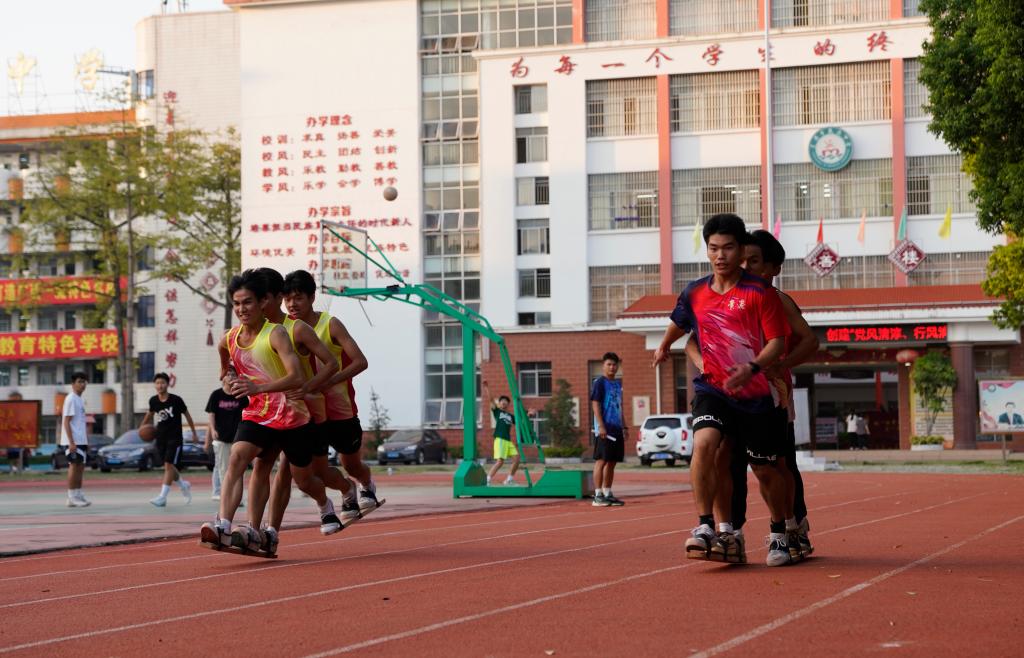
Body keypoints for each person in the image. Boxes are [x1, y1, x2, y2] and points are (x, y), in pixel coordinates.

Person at [653, 213, 792, 567]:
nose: (720, 256)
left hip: (756, 393)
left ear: (741, 249)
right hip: (713, 389)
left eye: (728, 248)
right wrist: (664, 346)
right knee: (704, 444)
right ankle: (706, 526)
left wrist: (753, 367)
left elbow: (777, 341)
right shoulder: (696, 292)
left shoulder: (759, 292)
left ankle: (779, 533)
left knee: (764, 469)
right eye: (714, 248)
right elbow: (679, 321)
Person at [200, 269, 342, 556]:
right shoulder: (230, 336)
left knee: (302, 478)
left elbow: (297, 376)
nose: (242, 309)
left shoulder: (278, 333)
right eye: (237, 304)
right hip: (258, 414)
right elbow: (223, 351)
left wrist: (258, 388)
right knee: (241, 457)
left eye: (248, 303)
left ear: (264, 301)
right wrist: (225, 372)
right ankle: (225, 525)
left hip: (293, 416)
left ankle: (325, 504)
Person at [710, 228, 817, 563]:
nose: (746, 267)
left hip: (771, 396)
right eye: (743, 260)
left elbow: (810, 341)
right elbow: (696, 338)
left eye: (754, 261)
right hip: (730, 393)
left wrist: (780, 364)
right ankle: (732, 532)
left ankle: (792, 525)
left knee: (778, 464)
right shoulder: (725, 296)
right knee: (727, 460)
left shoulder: (777, 300)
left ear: (774, 268)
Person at [278, 269, 380, 522]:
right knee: (317, 470)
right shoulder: (284, 330)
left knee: (352, 465)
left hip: (341, 409)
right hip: (310, 413)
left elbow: (360, 361)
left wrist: (328, 381)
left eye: (298, 297)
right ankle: (346, 493)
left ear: (312, 298)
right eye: (287, 299)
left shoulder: (330, 324)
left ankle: (366, 484)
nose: (292, 304)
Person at [140, 373, 198, 507]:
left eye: (162, 383)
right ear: (155, 385)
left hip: (175, 437)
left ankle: (162, 497)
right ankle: (183, 485)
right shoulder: (153, 401)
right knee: (169, 466)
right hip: (160, 437)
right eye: (157, 383)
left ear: (168, 384)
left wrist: (194, 433)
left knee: (168, 465)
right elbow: (149, 414)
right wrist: (141, 428)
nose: (160, 385)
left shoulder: (176, 400)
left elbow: (187, 416)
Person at [591, 352, 625, 507]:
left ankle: (607, 492)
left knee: (612, 462)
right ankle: (597, 494)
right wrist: (601, 425)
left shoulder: (618, 384)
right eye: (609, 364)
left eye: (614, 364)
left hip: (616, 429)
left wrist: (624, 425)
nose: (612, 367)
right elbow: (595, 404)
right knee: (602, 460)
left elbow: (619, 406)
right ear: (603, 365)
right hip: (604, 429)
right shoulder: (599, 382)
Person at [205, 383, 247, 502]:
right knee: (222, 468)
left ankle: (235, 497)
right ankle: (226, 496)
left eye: (233, 374)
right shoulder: (216, 395)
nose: (230, 376)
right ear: (223, 377)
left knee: (238, 467)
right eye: (228, 374)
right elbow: (211, 415)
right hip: (221, 438)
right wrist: (212, 431)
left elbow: (248, 413)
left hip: (238, 438)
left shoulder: (241, 394)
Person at [60, 373, 91, 507]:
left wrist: (85, 441)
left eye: (84, 382)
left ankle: (78, 494)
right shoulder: (71, 399)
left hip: (81, 440)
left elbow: (80, 423)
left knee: (80, 467)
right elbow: (66, 422)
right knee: (74, 466)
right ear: (73, 384)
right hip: (72, 441)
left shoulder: (80, 399)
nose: (82, 384)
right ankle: (71, 496)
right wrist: (71, 442)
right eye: (79, 381)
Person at [482, 380, 520, 485]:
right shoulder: (497, 411)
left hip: (508, 441)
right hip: (500, 439)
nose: (504, 402)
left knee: (517, 459)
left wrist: (529, 415)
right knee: (500, 461)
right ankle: (487, 479)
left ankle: (509, 480)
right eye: (502, 401)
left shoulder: (510, 416)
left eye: (506, 401)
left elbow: (520, 421)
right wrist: (486, 388)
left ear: (508, 404)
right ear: (499, 403)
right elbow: (490, 400)